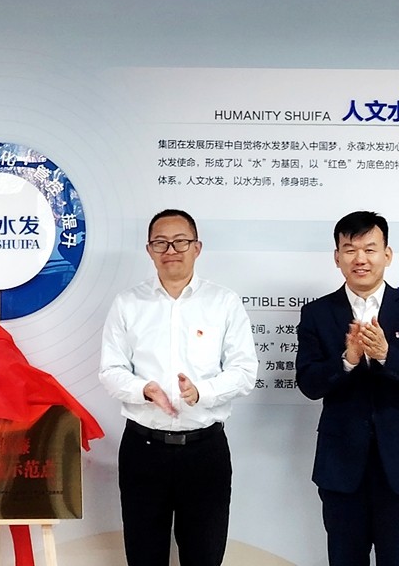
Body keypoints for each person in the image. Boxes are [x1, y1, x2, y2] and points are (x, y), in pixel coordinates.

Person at [99, 209, 257, 566]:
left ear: (197, 248)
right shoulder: (128, 303)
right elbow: (111, 370)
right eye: (161, 242)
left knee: (204, 555)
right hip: (143, 449)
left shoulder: (223, 302)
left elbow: (244, 371)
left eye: (180, 241)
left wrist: (202, 392)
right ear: (149, 250)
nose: (171, 250)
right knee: (144, 555)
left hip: (205, 451)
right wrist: (144, 389)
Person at [297, 211, 399, 566]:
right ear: (337, 257)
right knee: (345, 559)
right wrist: (347, 360)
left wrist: (387, 355)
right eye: (350, 249)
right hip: (341, 463)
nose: (360, 258)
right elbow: (309, 384)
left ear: (387, 255)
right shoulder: (317, 314)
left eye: (369, 249)